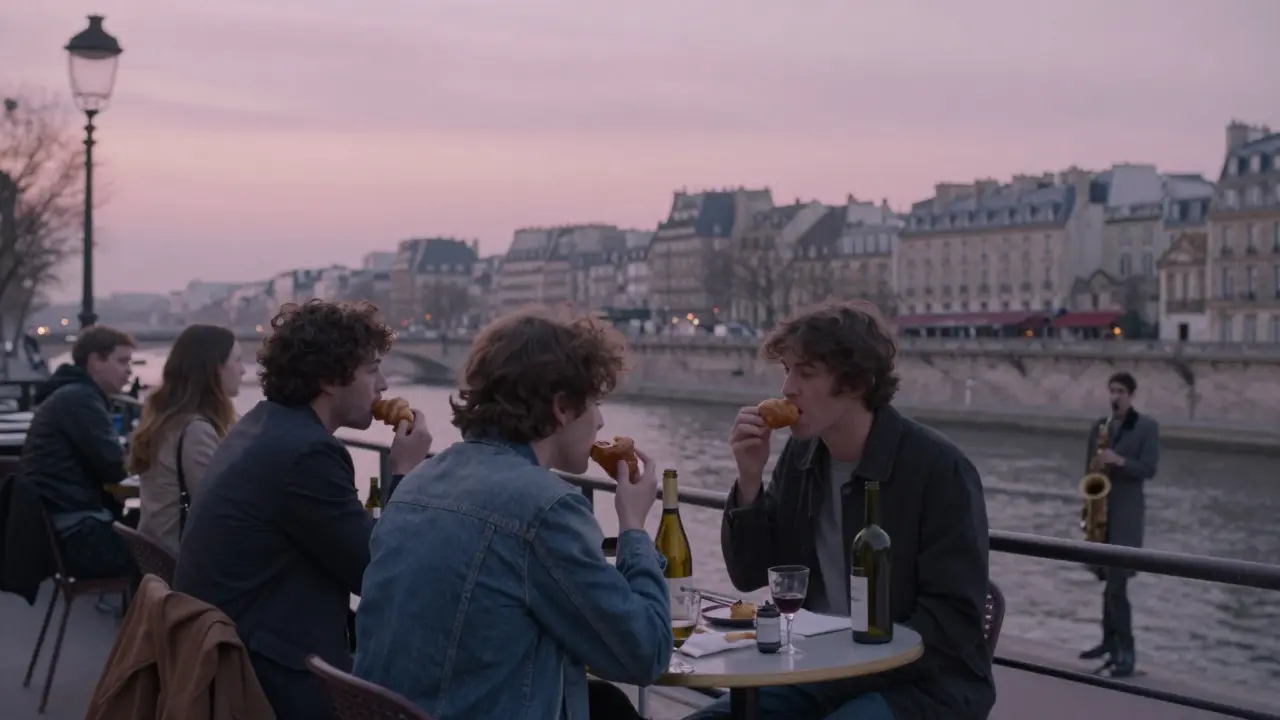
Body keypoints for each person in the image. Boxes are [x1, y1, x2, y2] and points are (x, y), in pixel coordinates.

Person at [353, 308, 671, 720]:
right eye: (595, 401)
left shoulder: (418, 481)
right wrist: (633, 529)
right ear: (561, 407)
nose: (601, 420)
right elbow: (646, 654)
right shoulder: (545, 507)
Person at [686, 301, 994, 720]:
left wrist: (847, 661)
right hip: (818, 670)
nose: (787, 388)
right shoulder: (801, 454)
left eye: (806, 373)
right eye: (787, 371)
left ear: (855, 384)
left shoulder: (940, 470)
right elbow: (750, 573)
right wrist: (749, 481)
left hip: (924, 686)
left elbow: (953, 622)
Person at [173, 300, 434, 720]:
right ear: (330, 379)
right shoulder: (306, 453)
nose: (384, 385)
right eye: (372, 371)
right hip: (268, 679)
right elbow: (380, 573)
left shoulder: (262, 425)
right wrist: (405, 473)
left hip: (222, 654)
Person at [21, 325, 137, 581]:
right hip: (79, 538)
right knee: (167, 552)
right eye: (122, 361)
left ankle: (143, 618)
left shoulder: (71, 395)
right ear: (95, 361)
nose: (129, 371)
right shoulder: (80, 400)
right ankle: (150, 619)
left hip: (60, 532)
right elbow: (116, 467)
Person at [130, 324, 244, 556]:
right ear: (215, 369)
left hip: (159, 559)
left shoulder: (167, 421)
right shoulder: (196, 431)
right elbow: (221, 508)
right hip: (185, 567)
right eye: (238, 360)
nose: (243, 370)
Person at [1077, 371, 1159, 678]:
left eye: (1121, 391)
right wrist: (1087, 510)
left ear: (1132, 395)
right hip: (1102, 515)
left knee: (1117, 586)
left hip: (1126, 518)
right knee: (1107, 585)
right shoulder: (1100, 427)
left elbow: (1149, 469)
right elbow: (1088, 471)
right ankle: (1107, 642)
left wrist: (1119, 461)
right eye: (1112, 390)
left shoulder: (1147, 427)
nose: (1115, 396)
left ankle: (1126, 653)